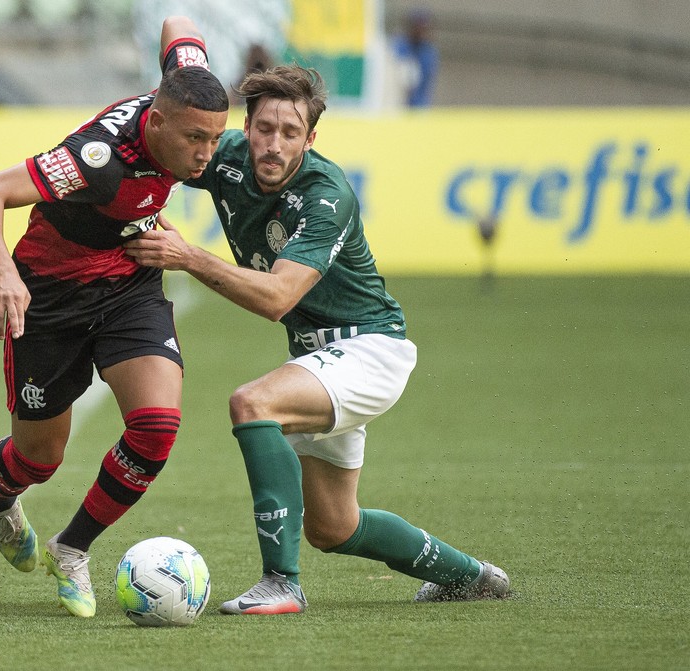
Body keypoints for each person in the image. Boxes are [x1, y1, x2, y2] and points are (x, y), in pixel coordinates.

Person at [124, 64, 509, 613]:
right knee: (334, 527)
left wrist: (188, 256)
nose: (274, 144)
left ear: (310, 138)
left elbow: (278, 297)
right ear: (245, 128)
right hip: (316, 355)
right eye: (264, 129)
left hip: (370, 349)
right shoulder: (226, 155)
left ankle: (281, 583)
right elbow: (160, 145)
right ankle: (472, 577)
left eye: (290, 132)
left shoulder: (327, 195)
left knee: (253, 404)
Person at [0, 16, 228, 618]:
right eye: (195, 139)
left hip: (129, 284)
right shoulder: (94, 160)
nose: (205, 155)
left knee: (156, 425)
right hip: (50, 297)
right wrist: (4, 275)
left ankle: (72, 546)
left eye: (215, 139)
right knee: (39, 459)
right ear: (156, 122)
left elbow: (177, 22)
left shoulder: (185, 89)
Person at [391, 8, 439, 108]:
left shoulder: (429, 53)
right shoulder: (397, 47)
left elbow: (424, 84)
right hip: (395, 104)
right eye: (418, 27)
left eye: (425, 28)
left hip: (418, 105)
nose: (421, 31)